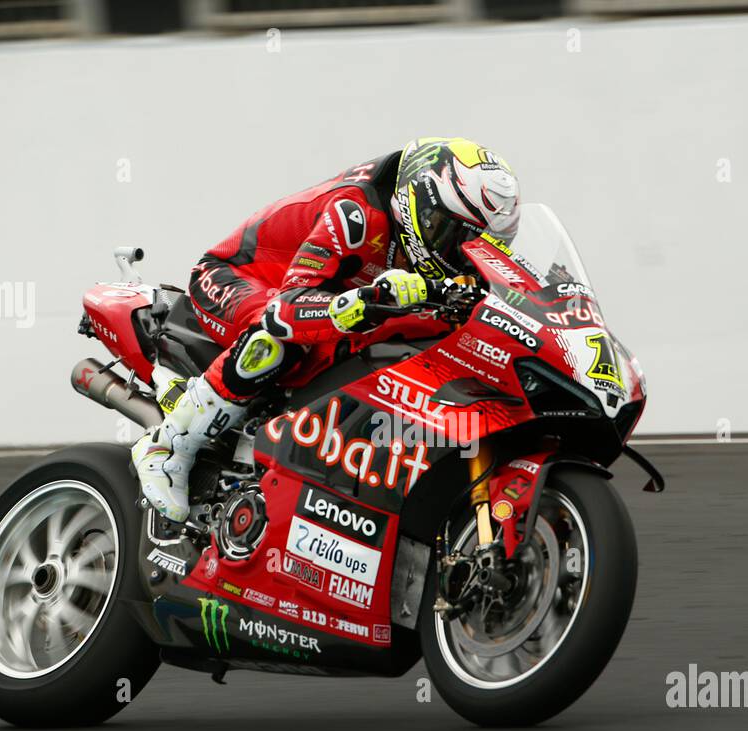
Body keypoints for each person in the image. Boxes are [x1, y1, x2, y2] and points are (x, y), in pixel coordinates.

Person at [131, 137, 521, 522]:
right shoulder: (356, 212)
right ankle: (169, 447)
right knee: (281, 339)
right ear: (420, 204)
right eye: (456, 235)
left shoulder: (432, 240)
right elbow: (287, 310)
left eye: (482, 244)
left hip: (327, 295)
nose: (464, 253)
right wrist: (364, 302)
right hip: (237, 277)